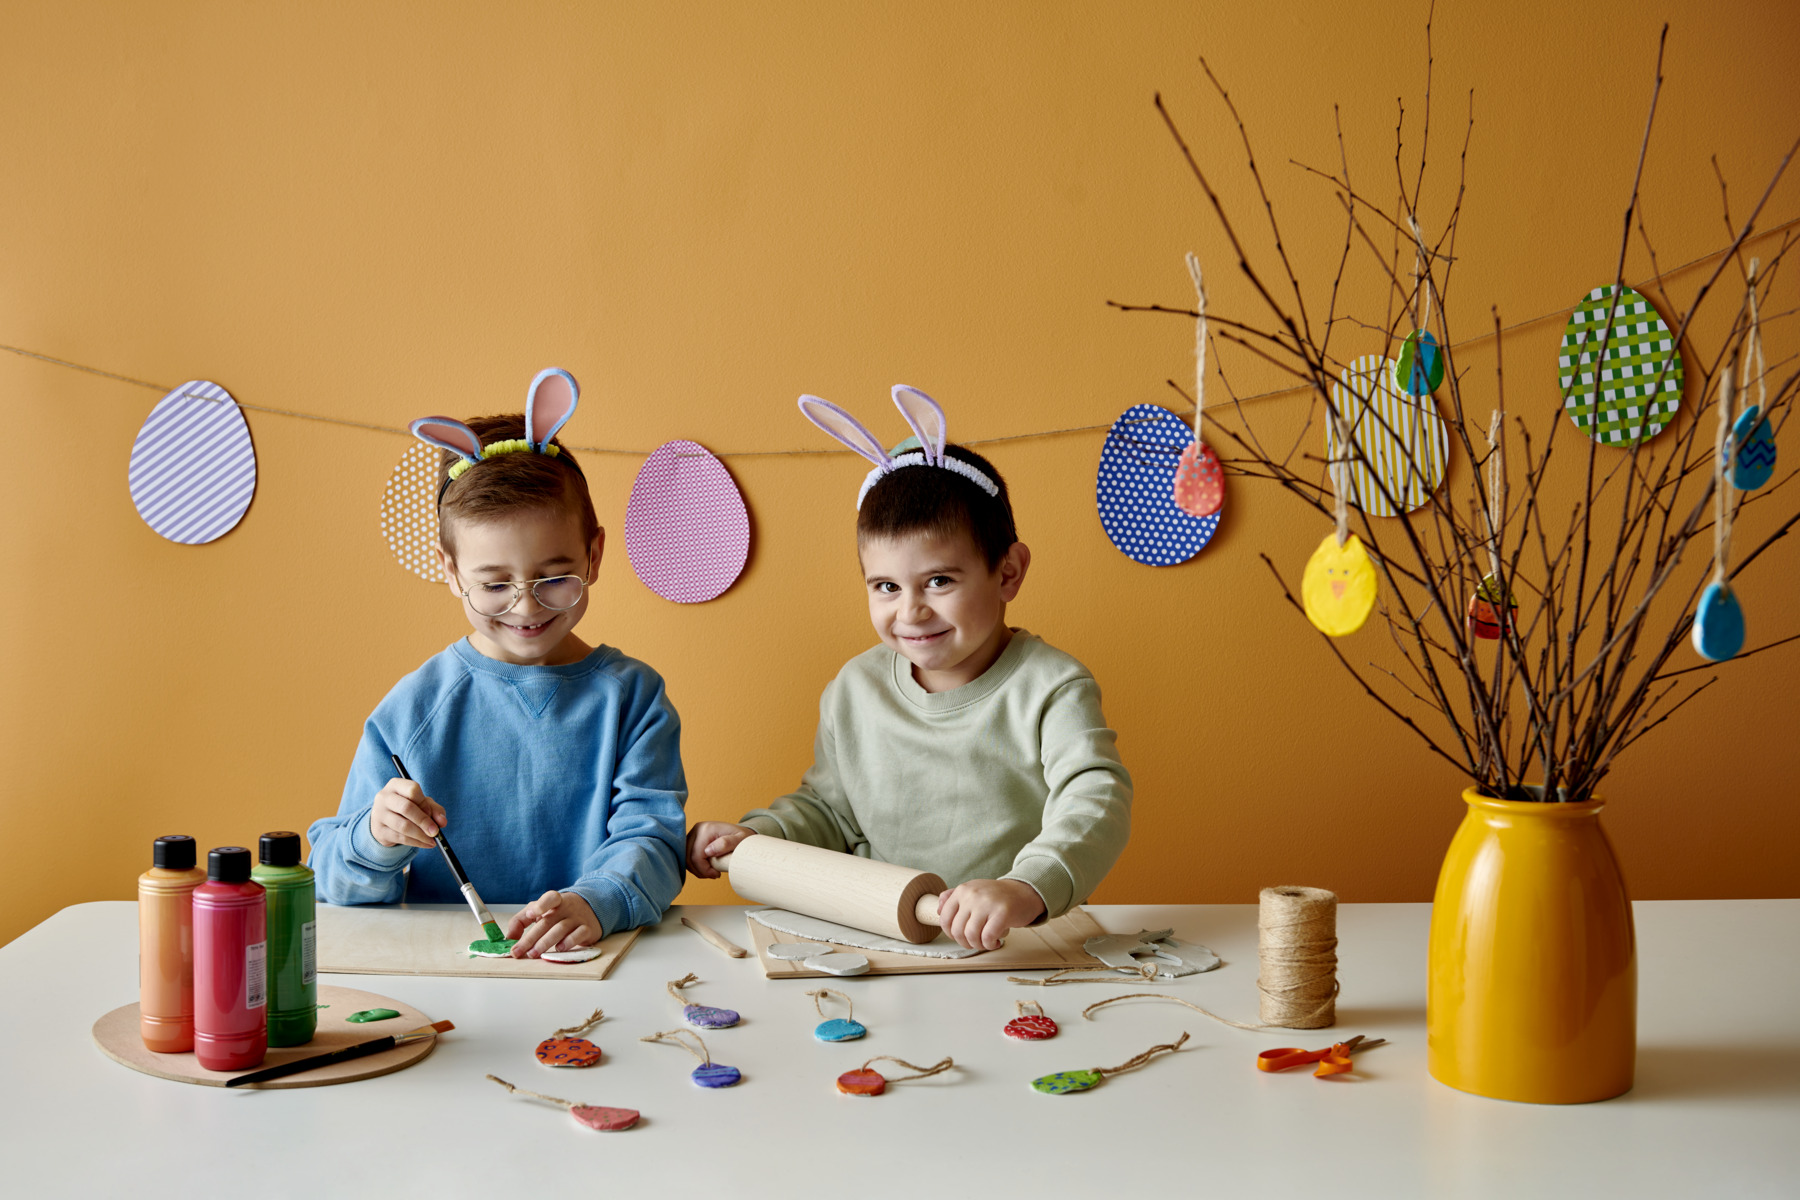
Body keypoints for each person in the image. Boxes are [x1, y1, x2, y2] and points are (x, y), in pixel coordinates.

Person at [686, 386, 1131, 950]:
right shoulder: (856, 689)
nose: (911, 611)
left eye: (939, 581)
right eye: (886, 587)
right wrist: (758, 837)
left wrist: (1025, 888)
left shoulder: (1051, 687)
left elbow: (1095, 799)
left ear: (1007, 572)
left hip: (1013, 947)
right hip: (882, 941)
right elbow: (830, 812)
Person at [309, 369, 686, 957]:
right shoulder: (414, 708)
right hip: (451, 978)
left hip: (595, 965)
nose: (526, 607)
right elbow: (330, 876)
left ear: (594, 555)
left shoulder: (633, 697)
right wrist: (376, 838)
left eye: (554, 578)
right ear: (451, 571)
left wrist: (599, 900)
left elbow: (655, 842)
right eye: (493, 585)